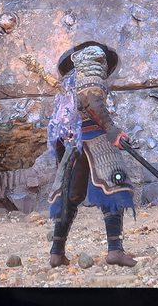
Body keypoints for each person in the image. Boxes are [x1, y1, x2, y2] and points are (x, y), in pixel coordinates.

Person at [47, 41, 137, 268]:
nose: (102, 62)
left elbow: (58, 125)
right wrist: (112, 130)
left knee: (69, 195)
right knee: (115, 187)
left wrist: (61, 156)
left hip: (74, 144)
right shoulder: (90, 79)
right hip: (97, 140)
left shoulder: (69, 86)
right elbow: (92, 101)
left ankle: (56, 252)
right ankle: (115, 249)